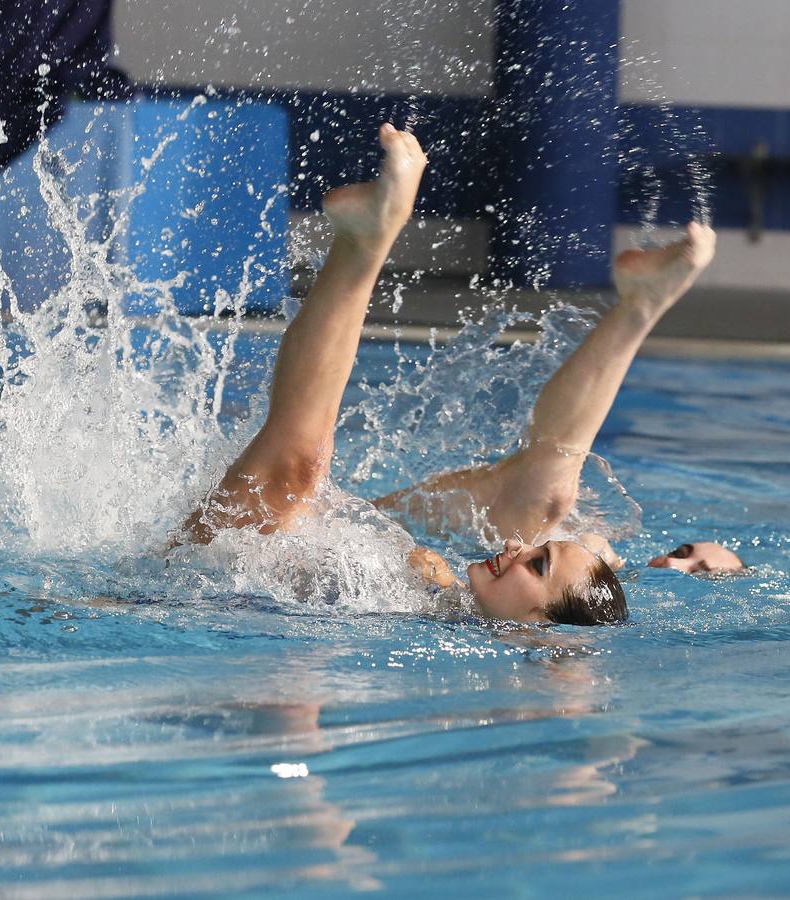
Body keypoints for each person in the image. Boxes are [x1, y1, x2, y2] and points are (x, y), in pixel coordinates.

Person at [177, 123, 719, 625]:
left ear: (538, 628)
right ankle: (640, 309)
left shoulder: (439, 613)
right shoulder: (449, 596)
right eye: (536, 554)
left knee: (296, 470)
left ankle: (364, 242)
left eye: (537, 567)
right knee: (548, 496)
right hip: (284, 541)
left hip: (199, 570)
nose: (517, 548)